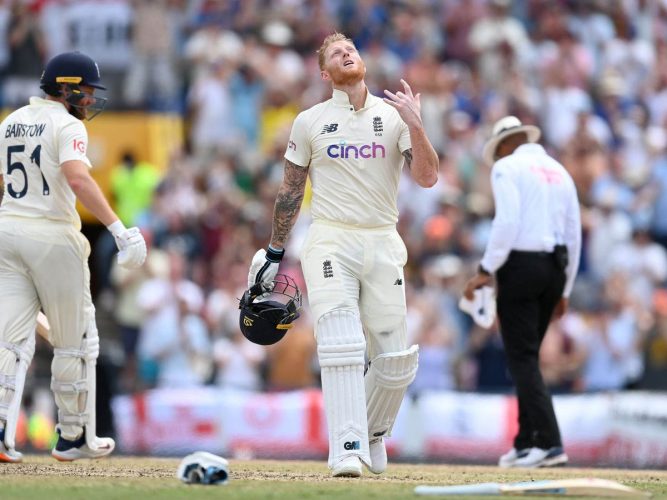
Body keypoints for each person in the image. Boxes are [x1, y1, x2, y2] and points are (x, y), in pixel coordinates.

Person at [247, 32, 439, 477]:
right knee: (341, 343)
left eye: (350, 48)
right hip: (330, 238)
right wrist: (275, 252)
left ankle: (371, 433)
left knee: (395, 359)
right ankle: (345, 447)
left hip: (382, 239)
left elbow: (428, 178)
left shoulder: (394, 118)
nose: (346, 53)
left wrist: (416, 124)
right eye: (336, 53)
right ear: (324, 72)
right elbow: (290, 191)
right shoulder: (310, 121)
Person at [0, 51, 147, 462]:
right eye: (83, 91)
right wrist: (120, 229)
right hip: (51, 235)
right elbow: (78, 177)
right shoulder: (65, 124)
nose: (88, 100)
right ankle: (73, 437)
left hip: (8, 231)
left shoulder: (10, 122)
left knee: (9, 342)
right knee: (77, 340)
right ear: (64, 88)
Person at [463, 116, 581, 468]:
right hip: (555, 271)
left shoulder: (507, 168)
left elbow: (508, 223)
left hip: (521, 268)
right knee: (526, 358)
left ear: (503, 145)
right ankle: (526, 440)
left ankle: (548, 442)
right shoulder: (560, 171)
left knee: (522, 358)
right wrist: (567, 289)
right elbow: (573, 233)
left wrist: (486, 269)